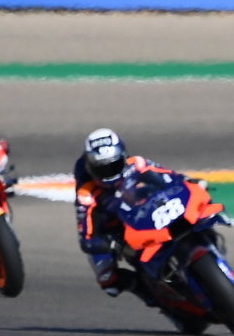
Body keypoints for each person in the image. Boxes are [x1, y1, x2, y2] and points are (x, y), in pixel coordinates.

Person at [73, 128, 181, 306]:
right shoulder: (86, 193)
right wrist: (104, 243)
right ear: (90, 169)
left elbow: (171, 177)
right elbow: (86, 236)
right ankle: (150, 295)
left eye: (114, 166)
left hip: (146, 211)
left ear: (123, 156)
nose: (109, 174)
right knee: (106, 278)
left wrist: (188, 182)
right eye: (102, 170)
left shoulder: (136, 164)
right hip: (115, 229)